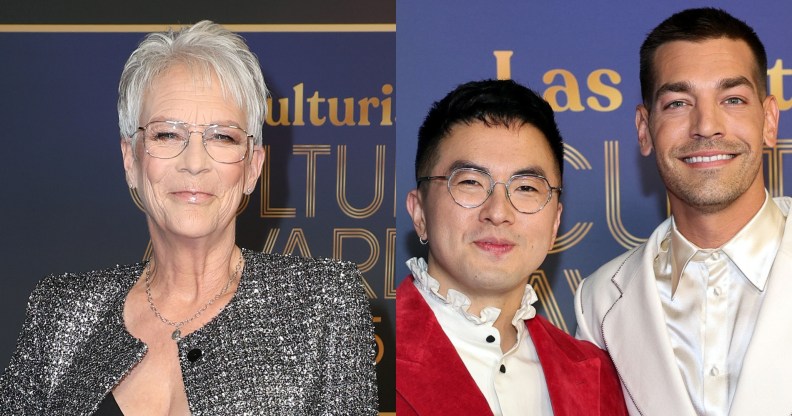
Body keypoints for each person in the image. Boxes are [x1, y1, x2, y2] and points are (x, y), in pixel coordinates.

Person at [0, 21, 378, 415]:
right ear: (131, 158)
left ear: (252, 167)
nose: (194, 163)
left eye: (222, 137)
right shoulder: (61, 313)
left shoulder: (321, 304)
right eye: (167, 135)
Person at [575, 8, 790, 415]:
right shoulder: (599, 302)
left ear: (769, 120)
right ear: (644, 128)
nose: (706, 125)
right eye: (677, 103)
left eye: (733, 99)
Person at [396, 79, 627, 415]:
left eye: (526, 188)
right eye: (471, 183)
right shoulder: (348, 357)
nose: (498, 213)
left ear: (554, 223)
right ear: (419, 213)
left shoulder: (596, 377)